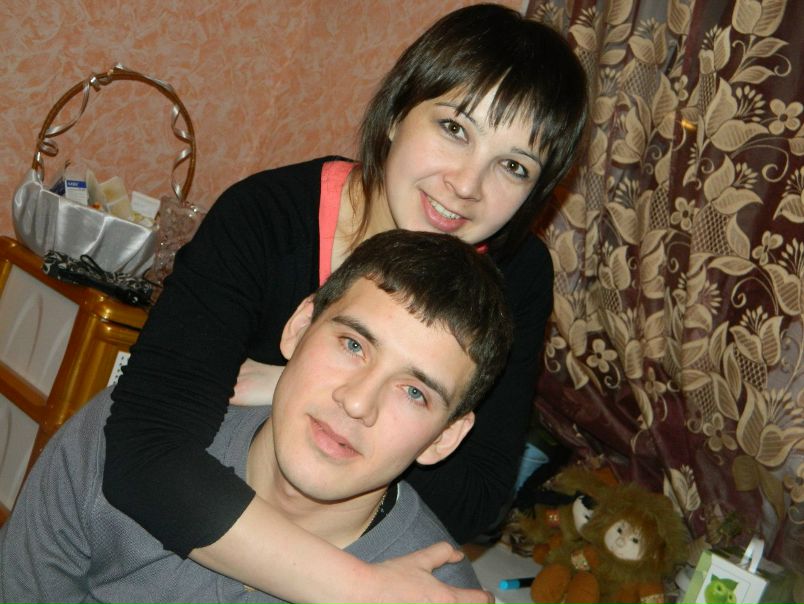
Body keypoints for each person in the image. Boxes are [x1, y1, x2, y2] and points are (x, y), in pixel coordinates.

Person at [103, 3, 588, 602]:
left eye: (513, 166)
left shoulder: (515, 277)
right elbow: (143, 458)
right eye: (454, 128)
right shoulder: (265, 220)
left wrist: (289, 384)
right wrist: (357, 590)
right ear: (397, 112)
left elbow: (471, 500)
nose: (466, 185)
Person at [0, 231, 513, 603]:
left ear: (445, 438)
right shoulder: (125, 435)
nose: (358, 403)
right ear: (300, 327)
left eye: (414, 392)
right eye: (353, 345)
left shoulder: (435, 595)